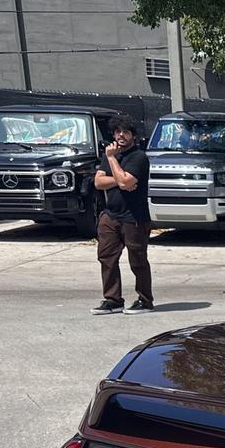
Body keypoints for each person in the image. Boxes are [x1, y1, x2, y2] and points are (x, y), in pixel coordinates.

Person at [91, 114, 154, 314]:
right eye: (118, 132)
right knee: (106, 257)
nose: (121, 135)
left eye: (125, 132)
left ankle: (145, 300)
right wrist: (119, 178)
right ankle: (113, 299)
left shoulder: (139, 157)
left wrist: (112, 161)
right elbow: (98, 183)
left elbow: (128, 182)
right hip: (111, 215)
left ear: (133, 136)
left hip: (134, 217)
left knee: (138, 259)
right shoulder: (109, 155)